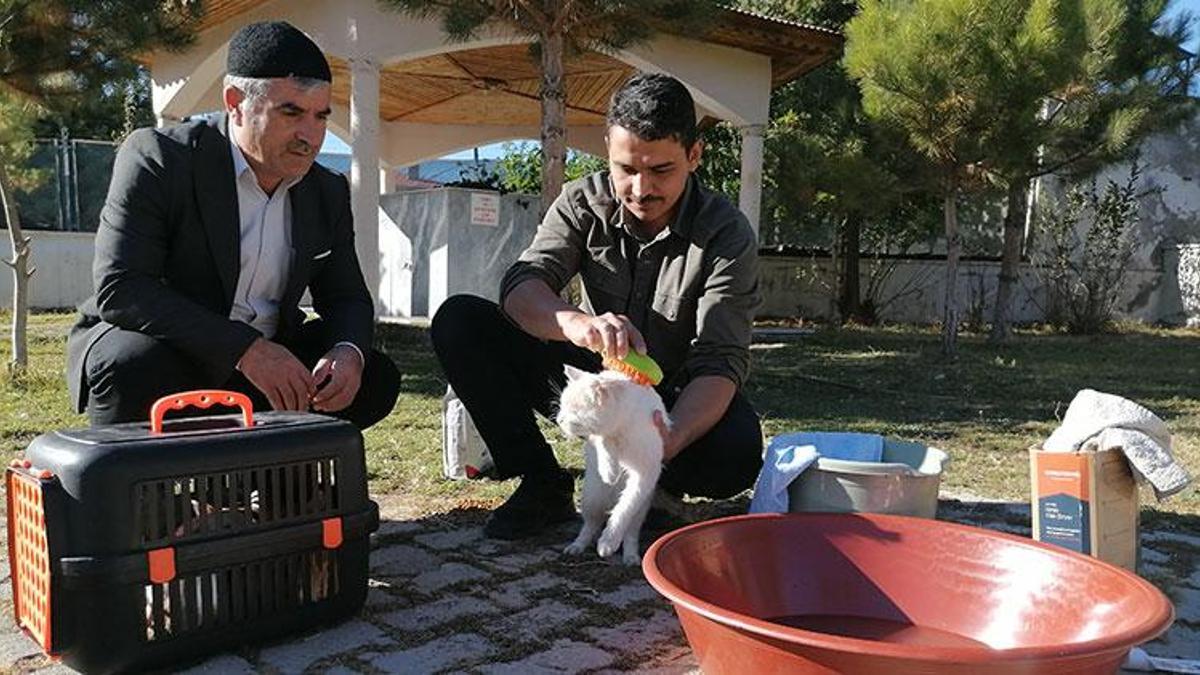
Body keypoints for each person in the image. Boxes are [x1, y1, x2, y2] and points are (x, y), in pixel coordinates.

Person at [431, 72, 763, 540]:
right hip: (595, 379)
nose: (641, 189)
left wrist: (666, 440)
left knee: (737, 448)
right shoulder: (582, 202)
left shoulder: (727, 233)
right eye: (626, 168)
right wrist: (578, 325)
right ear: (607, 148)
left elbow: (720, 361)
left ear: (694, 154)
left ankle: (656, 488)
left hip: (669, 397)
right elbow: (522, 287)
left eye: (661, 170)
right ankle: (541, 482)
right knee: (461, 321)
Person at [66, 21, 400, 429]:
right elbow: (122, 287)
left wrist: (347, 353)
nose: (310, 136)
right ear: (235, 102)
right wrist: (245, 349)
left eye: (320, 117)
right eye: (291, 112)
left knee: (375, 376)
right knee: (131, 363)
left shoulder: (326, 190)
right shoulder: (160, 158)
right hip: (177, 350)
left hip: (271, 357)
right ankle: (146, 470)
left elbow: (346, 297)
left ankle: (275, 465)